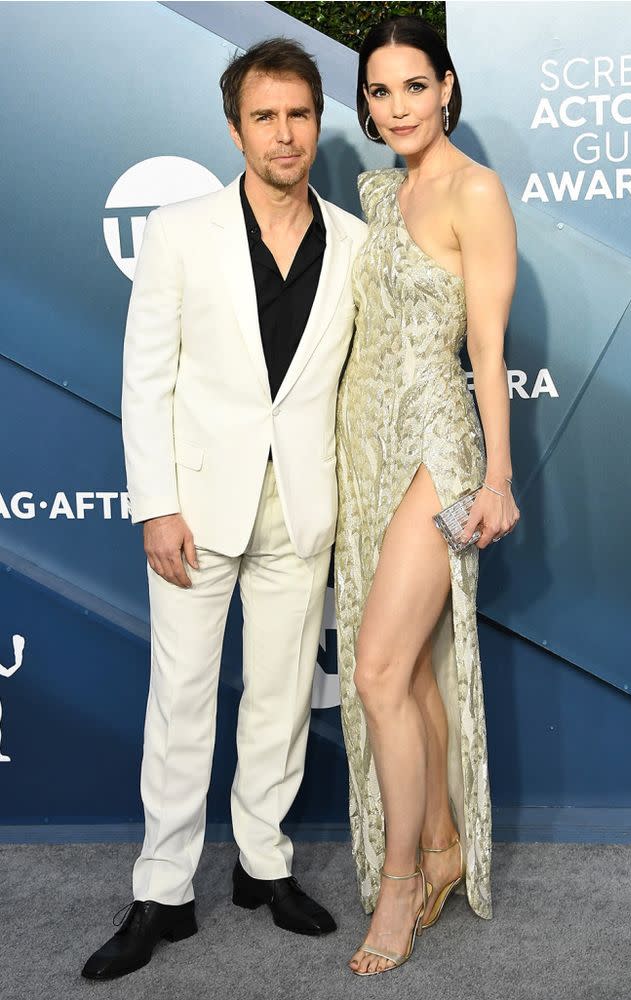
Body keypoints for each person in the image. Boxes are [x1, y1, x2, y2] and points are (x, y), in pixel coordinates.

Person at [82, 38, 366, 981]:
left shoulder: (356, 241)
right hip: (195, 512)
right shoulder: (180, 230)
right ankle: (163, 892)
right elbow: (144, 380)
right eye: (264, 117)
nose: (284, 135)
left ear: (317, 122)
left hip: (303, 506)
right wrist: (156, 504)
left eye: (298, 115)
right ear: (235, 126)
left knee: (282, 701)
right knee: (182, 705)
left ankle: (263, 865)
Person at [335, 16, 520, 976]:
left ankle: (404, 881)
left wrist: (496, 475)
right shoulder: (377, 190)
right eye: (378, 91)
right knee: (405, 671)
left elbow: (486, 349)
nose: (396, 106)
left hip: (435, 450)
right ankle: (442, 841)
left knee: (373, 671)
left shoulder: (473, 192)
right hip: (363, 443)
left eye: (414, 85)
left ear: (447, 87)